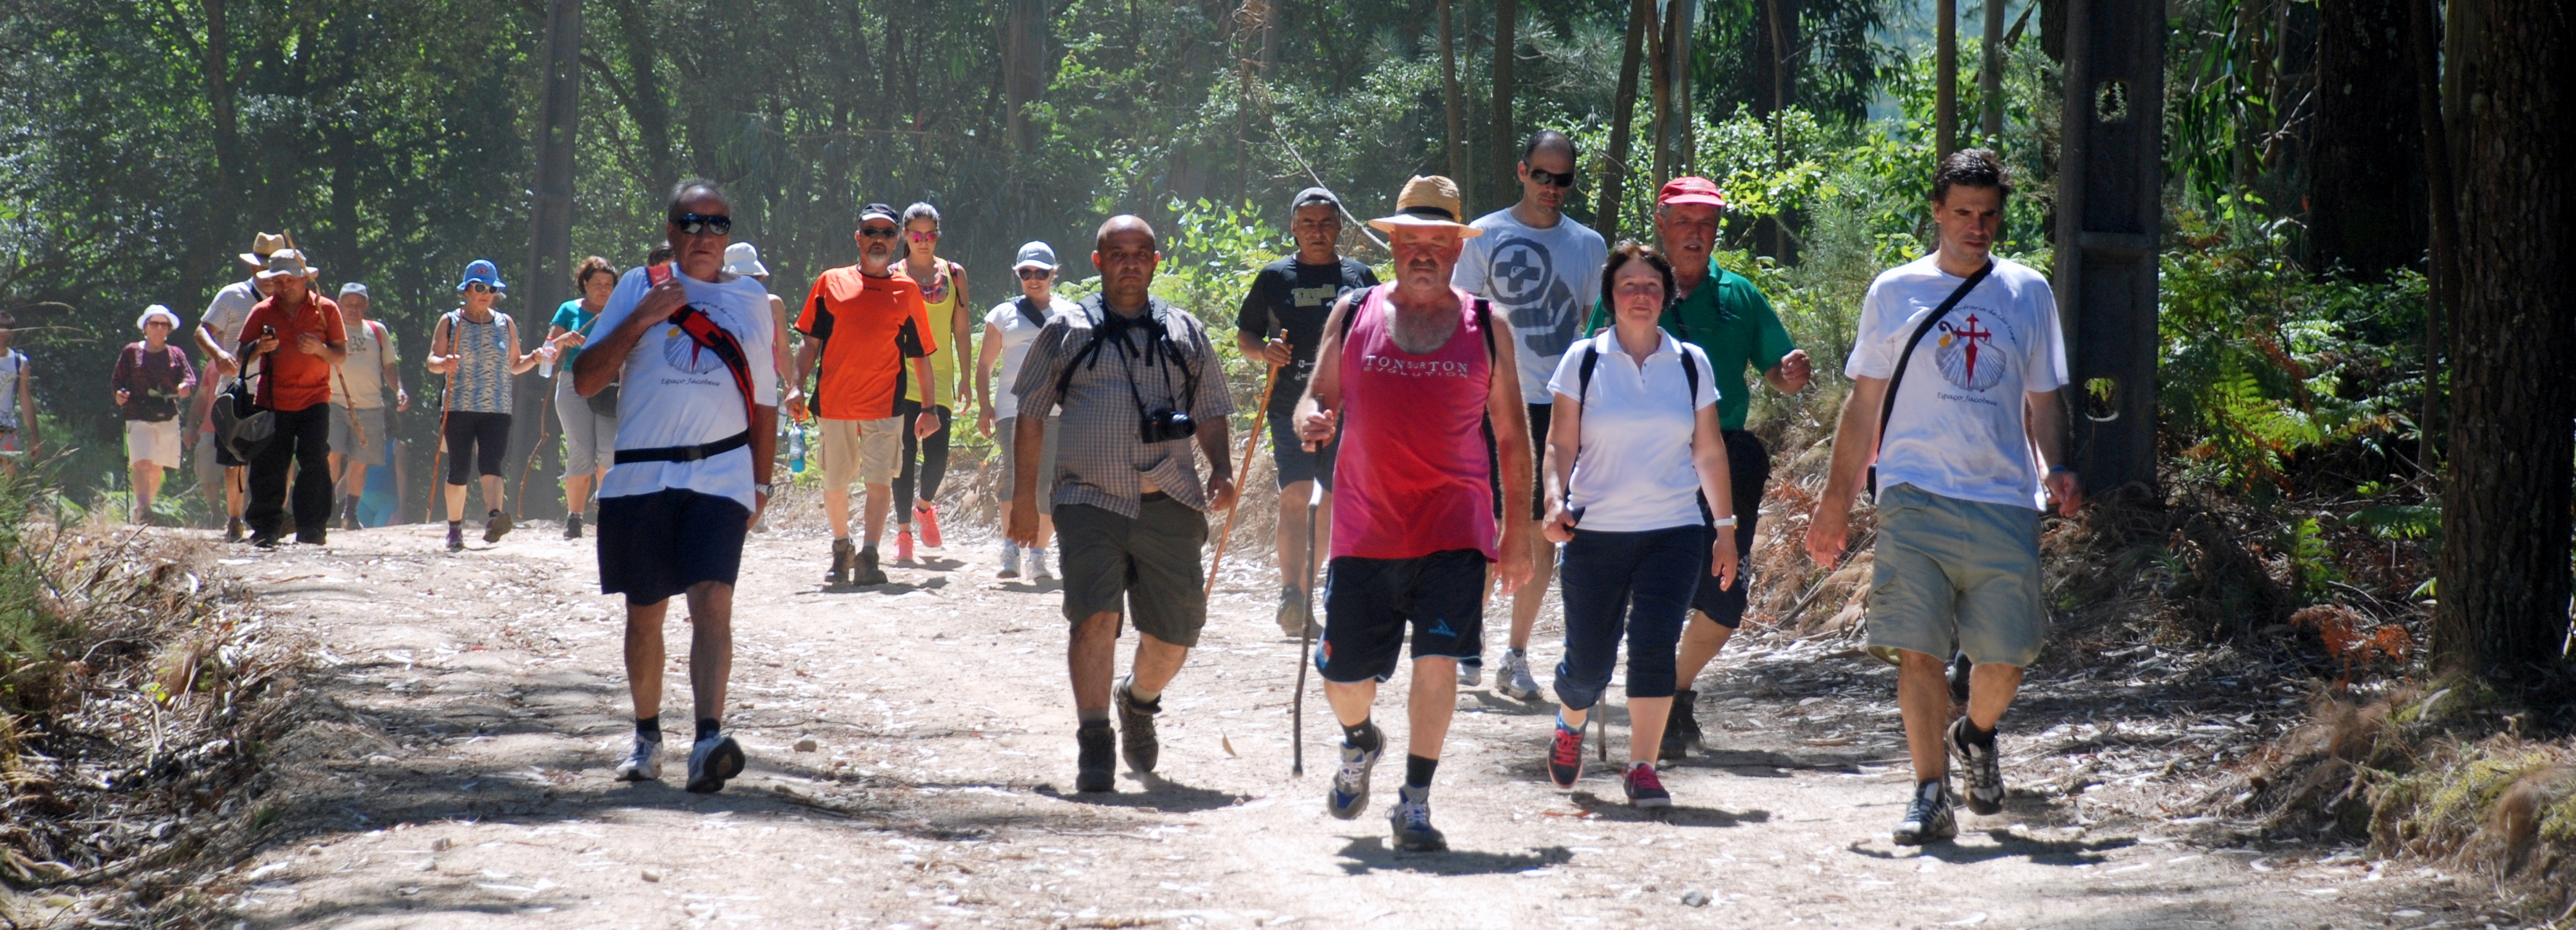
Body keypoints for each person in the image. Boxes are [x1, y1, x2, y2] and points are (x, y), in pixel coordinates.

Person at [1806, 149, 2080, 845]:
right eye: (1962, 212)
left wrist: (2057, 467)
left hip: (2005, 498)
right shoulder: (1895, 291)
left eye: (1988, 215)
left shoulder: (2029, 292)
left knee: (2006, 660)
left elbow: (2044, 399)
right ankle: (1929, 793)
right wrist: (1836, 501)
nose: (1976, 226)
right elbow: (1863, 406)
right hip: (1914, 492)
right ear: (1936, 211)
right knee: (1917, 650)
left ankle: (1977, 734)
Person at [1295, 176, 1535, 852]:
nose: (1425, 252)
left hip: (1454, 528)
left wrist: (1516, 534)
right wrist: (1311, 416)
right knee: (1345, 682)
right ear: (1393, 244)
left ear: (1459, 248)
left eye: (1440, 240)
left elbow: (1513, 435)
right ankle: (1359, 739)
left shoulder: (1488, 325)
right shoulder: (1353, 311)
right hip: (1365, 530)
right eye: (1413, 240)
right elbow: (1317, 396)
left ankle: (1415, 803)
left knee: (1437, 661)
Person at [1580, 177, 1813, 759]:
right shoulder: (1626, 287)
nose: (1696, 233)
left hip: (1723, 455)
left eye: (1706, 223)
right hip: (1638, 455)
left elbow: (1776, 374)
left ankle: (1676, 687)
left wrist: (1787, 374)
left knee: (1725, 596)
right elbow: (1587, 374)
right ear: (1661, 222)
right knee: (1639, 586)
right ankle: (1644, 690)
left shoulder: (1739, 296)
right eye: (1684, 221)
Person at [1006, 215, 1236, 794]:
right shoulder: (1066, 328)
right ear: (1097, 260)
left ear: (1156, 260)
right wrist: (1027, 505)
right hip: (1088, 497)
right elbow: (1031, 413)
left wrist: (1223, 469)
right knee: (1094, 619)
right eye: (1118, 253)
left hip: (1171, 498)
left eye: (1140, 253)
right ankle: (1095, 740)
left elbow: (1210, 409)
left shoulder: (1185, 331)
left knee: (1174, 636)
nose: (1130, 262)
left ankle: (1138, 700)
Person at [573, 178, 781, 795]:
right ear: (671, 231)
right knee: (646, 612)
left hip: (720, 471)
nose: (705, 236)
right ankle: (646, 736)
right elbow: (585, 379)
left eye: (718, 224)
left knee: (713, 600)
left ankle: (708, 738)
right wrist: (641, 317)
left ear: (729, 235)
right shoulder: (638, 286)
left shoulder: (750, 302)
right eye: (692, 223)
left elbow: (765, 403)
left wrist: (761, 481)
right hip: (640, 473)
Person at [1539, 243, 1740, 807]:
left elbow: (1708, 450)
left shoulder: (1690, 362)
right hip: (1594, 532)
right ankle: (1570, 720)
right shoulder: (1582, 360)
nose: (1641, 296)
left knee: (1654, 645)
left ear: (1667, 296)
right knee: (1589, 664)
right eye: (1629, 286)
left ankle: (1643, 768)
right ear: (1610, 297)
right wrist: (1554, 501)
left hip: (1674, 531)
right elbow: (1560, 443)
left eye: (1652, 287)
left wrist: (1723, 527)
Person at [1450, 130, 1609, 699]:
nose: (1551, 188)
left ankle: (1515, 654)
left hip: (1558, 405)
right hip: (1486, 399)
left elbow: (1595, 329)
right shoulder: (1484, 235)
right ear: (1521, 171)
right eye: (1541, 175)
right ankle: (1468, 636)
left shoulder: (1589, 245)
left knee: (1547, 527)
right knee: (1483, 521)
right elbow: (1461, 320)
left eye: (1562, 179)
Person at [1233, 187, 1377, 635]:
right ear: (1294, 228)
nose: (1318, 231)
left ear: (1340, 228)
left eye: (1326, 222)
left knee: (1330, 501)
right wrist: (1266, 353)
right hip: (1290, 405)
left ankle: (1309, 595)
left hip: (1349, 410)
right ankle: (1290, 593)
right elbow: (1246, 338)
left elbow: (1382, 331)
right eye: (1308, 223)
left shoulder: (1360, 276)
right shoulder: (1275, 277)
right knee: (1297, 493)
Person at [787, 203, 941, 586]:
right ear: (858, 237)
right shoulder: (830, 282)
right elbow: (810, 342)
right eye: (871, 231)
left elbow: (920, 354)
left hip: (885, 404)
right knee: (835, 482)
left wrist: (929, 408)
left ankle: (870, 556)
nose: (879, 239)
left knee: (880, 481)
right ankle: (842, 549)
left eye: (888, 233)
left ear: (896, 242)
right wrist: (795, 386)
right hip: (835, 402)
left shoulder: (906, 290)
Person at [426, 259, 550, 551]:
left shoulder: (505, 323)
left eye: (491, 288)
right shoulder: (450, 320)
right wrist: (444, 364)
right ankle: (454, 528)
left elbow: (515, 365)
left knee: (492, 464)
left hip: (497, 408)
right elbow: (432, 361)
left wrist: (535, 357)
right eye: (479, 287)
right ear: (466, 290)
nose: (485, 293)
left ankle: (494, 518)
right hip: (458, 406)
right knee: (458, 468)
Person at [235, 250, 347, 547]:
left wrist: (320, 350)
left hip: (315, 398)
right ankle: (266, 528)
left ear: (304, 278)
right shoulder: (262, 311)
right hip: (271, 399)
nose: (284, 286)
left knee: (314, 461)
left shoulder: (327, 310)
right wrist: (259, 347)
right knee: (269, 465)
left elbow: (340, 355)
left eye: (289, 280)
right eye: (278, 281)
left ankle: (312, 528)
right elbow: (240, 354)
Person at [975, 241, 1065, 580]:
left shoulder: (1069, 313)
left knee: (1048, 483)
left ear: (1053, 274)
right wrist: (985, 407)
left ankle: (1038, 555)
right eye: (1027, 273)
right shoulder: (1003, 314)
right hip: (1013, 407)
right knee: (1015, 476)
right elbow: (985, 364)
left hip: (1056, 409)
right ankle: (1011, 549)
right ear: (1018, 275)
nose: (1034, 279)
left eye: (1041, 272)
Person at [892, 203, 969, 563]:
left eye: (931, 235)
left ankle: (925, 508)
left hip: (939, 378)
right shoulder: (891, 274)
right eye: (916, 235)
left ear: (938, 236)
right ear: (905, 236)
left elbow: (962, 331)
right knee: (903, 459)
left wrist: (965, 378)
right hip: (897, 378)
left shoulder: (954, 275)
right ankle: (904, 532)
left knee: (937, 457)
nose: (924, 242)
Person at [194, 232, 279, 541]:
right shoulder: (231, 295)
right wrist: (218, 354)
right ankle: (234, 517)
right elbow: (203, 330)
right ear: (253, 267)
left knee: (277, 456)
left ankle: (273, 517)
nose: (268, 274)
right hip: (237, 386)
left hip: (278, 388)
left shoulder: (289, 300)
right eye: (263, 266)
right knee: (235, 455)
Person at [722, 242, 793, 533]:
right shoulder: (717, 301)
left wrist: (794, 386)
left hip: (763, 387)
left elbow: (784, 350)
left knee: (762, 446)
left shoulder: (773, 303)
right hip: (728, 387)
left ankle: (755, 507)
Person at [548, 256, 621, 539]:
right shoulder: (568, 310)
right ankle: (574, 518)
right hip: (573, 382)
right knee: (580, 449)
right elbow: (549, 349)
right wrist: (565, 340)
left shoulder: (622, 311)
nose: (603, 289)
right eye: (597, 283)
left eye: (608, 284)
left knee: (610, 449)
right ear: (585, 284)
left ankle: (607, 509)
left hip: (610, 384)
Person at [327, 282, 409, 530]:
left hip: (370, 405)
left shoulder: (377, 331)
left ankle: (350, 513)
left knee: (360, 462)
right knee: (332, 455)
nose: (353, 309)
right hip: (334, 402)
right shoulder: (328, 329)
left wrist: (400, 390)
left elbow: (389, 367)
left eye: (358, 305)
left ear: (366, 306)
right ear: (339, 305)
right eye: (348, 304)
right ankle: (328, 508)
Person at [113, 305, 197, 523]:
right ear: (145, 328)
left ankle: (142, 510)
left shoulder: (176, 354)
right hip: (138, 414)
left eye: (164, 324)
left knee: (157, 466)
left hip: (167, 415)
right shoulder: (131, 352)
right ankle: (144, 508)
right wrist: (119, 394)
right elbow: (118, 381)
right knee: (142, 462)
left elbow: (189, 378)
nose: (159, 329)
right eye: (155, 324)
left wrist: (185, 388)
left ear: (169, 329)